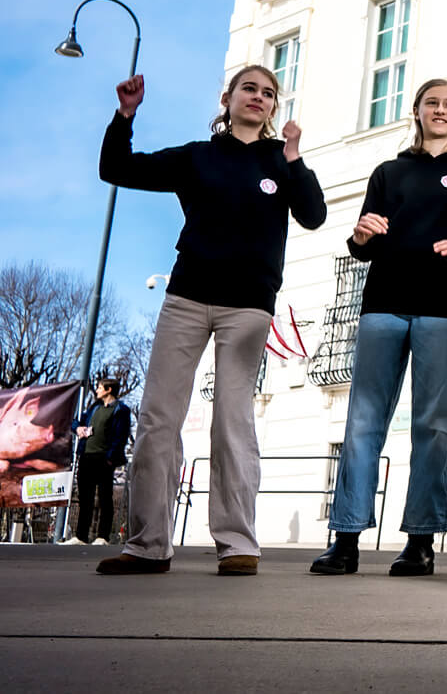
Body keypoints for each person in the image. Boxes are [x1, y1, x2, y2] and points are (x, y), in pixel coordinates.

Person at [95, 68, 326, 575]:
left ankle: (237, 541)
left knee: (232, 419)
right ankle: (147, 544)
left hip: (248, 305)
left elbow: (313, 215)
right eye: (250, 88)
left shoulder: (278, 161)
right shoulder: (197, 155)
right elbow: (116, 168)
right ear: (228, 98)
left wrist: (294, 156)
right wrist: (125, 117)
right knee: (158, 418)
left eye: (269, 93)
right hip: (188, 297)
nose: (259, 98)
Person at [310, 79, 447, 577]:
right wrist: (359, 235)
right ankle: (346, 539)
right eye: (431, 103)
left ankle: (420, 541)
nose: (440, 110)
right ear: (416, 112)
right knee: (361, 425)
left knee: (434, 426)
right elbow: (364, 242)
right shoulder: (389, 172)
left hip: (443, 308)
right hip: (383, 306)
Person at [64, 378, 132, 546]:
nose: (97, 390)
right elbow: (76, 421)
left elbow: (120, 436)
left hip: (104, 458)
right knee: (85, 498)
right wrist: (77, 428)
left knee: (104, 498)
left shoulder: (120, 410)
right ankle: (81, 536)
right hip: (86, 456)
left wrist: (110, 458)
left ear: (109, 390)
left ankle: (103, 536)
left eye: (100, 388)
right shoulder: (94, 408)